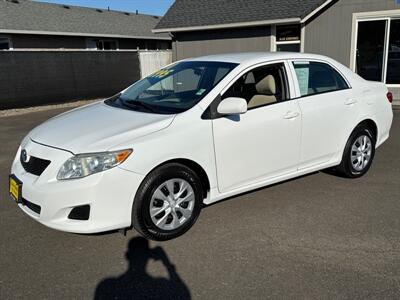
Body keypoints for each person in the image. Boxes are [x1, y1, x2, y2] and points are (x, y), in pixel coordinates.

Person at [95, 237, 191, 300]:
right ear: (149, 256)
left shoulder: (106, 286)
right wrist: (167, 264)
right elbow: (184, 294)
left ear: (127, 256)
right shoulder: (160, 285)